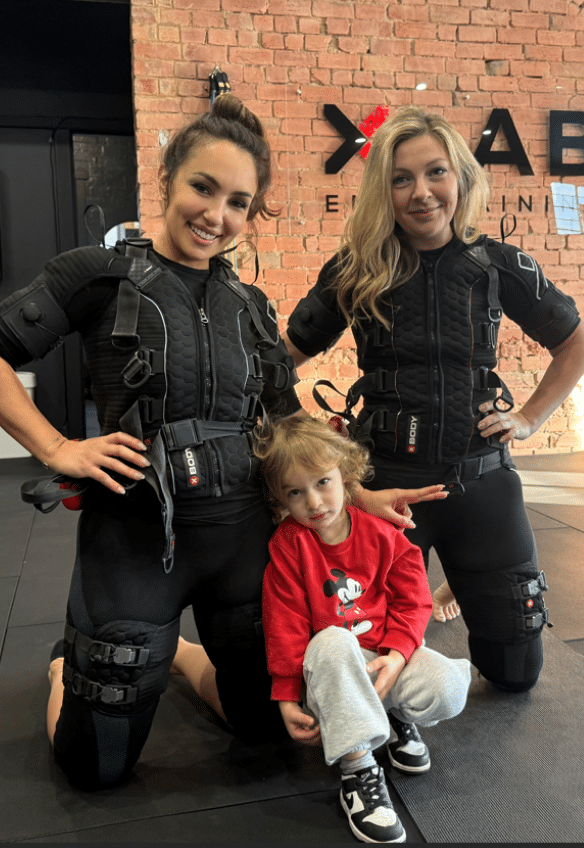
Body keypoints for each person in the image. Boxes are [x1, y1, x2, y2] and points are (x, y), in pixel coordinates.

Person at [0, 94, 446, 791]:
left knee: (270, 730)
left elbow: (288, 427)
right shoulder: (97, 275)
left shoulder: (251, 309)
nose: (216, 215)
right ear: (168, 179)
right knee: (94, 769)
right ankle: (67, 667)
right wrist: (58, 447)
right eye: (203, 188)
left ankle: (179, 656)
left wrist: (357, 496)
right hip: (134, 543)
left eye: (238, 202)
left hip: (241, 544)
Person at [283, 105, 584, 695]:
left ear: (461, 178)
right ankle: (438, 581)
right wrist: (319, 450)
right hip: (388, 490)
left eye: (435, 172)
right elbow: (275, 363)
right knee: (365, 669)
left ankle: (460, 580)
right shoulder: (355, 270)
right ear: (384, 190)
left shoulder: (498, 264)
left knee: (516, 674)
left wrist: (528, 418)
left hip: (483, 482)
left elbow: (574, 342)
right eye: (402, 178)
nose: (421, 192)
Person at [256, 415, 471, 844]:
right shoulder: (289, 544)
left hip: (383, 660)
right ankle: (358, 771)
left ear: (345, 475)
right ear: (280, 497)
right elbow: (284, 623)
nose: (313, 502)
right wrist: (285, 694)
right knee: (333, 640)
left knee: (447, 685)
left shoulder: (383, 534)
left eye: (322, 482)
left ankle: (394, 717)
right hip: (333, 675)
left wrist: (397, 655)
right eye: (295, 492)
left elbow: (414, 601)